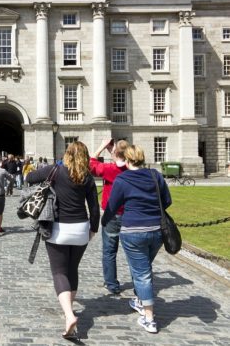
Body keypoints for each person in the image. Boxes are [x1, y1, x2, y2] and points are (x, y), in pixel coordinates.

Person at [27, 141, 100, 339]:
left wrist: (38, 170)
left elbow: (29, 177)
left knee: (59, 272)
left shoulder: (54, 171)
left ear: (66, 154)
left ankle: (69, 315)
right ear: (84, 157)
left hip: (58, 229)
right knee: (72, 269)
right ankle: (69, 308)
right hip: (80, 229)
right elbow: (94, 207)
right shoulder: (87, 177)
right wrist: (93, 228)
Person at [101, 145, 171, 334]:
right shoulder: (155, 175)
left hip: (133, 231)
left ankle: (149, 318)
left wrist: (103, 221)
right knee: (144, 268)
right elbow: (167, 201)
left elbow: (112, 206)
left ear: (127, 159)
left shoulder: (122, 179)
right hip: (157, 230)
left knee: (142, 274)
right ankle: (140, 300)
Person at [89, 138, 129, 295]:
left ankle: (112, 284)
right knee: (133, 252)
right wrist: (113, 150)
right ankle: (139, 283)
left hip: (112, 215)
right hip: (130, 216)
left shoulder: (109, 169)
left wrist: (100, 147)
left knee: (109, 251)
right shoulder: (132, 168)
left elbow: (90, 164)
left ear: (114, 153)